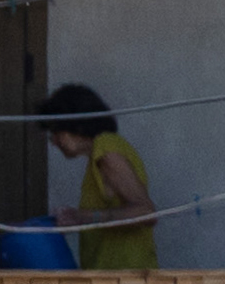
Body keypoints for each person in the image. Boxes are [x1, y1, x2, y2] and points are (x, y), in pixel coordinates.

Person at [45, 82, 161, 273]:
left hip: (126, 280)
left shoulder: (106, 148)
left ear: (77, 125)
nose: (54, 142)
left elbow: (146, 212)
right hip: (112, 280)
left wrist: (82, 217)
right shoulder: (97, 156)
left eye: (56, 132)